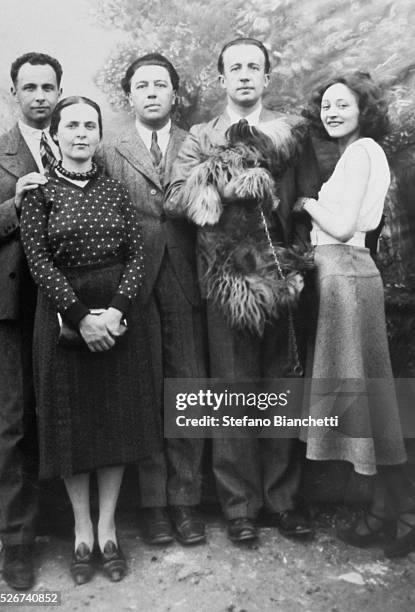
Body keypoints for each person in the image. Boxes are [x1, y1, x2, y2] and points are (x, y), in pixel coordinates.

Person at [166, 38, 320, 542]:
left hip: (282, 278)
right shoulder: (200, 135)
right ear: (222, 78)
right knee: (232, 392)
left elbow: (305, 202)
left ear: (267, 77)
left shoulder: (291, 133)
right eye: (236, 68)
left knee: (280, 389)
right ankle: (239, 509)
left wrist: (298, 266)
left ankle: (283, 501)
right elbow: (175, 198)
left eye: (254, 67)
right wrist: (227, 188)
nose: (245, 76)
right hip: (226, 278)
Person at [20, 96, 161, 583]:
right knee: (70, 428)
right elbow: (38, 261)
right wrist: (81, 318)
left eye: (89, 125)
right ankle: (81, 533)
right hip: (62, 320)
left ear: (99, 134)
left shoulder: (115, 189)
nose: (81, 133)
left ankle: (108, 531)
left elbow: (137, 254)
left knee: (114, 423)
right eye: (71, 125)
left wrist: (118, 311)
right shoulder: (39, 191)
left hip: (118, 319)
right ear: (55, 133)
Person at [298, 71, 415, 557]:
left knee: (365, 400)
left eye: (342, 104)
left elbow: (343, 227)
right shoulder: (356, 154)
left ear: (363, 110)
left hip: (345, 275)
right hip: (345, 277)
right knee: (367, 400)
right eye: (326, 104)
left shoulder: (363, 152)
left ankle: (403, 510)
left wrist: (305, 202)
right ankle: (389, 510)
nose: (332, 112)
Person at [101, 53, 207, 546]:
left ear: (174, 94)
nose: (150, 92)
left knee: (186, 389)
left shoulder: (197, 143)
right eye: (141, 85)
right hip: (132, 284)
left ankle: (186, 502)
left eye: (160, 84)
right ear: (130, 95)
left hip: (187, 281)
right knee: (144, 391)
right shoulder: (109, 150)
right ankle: (154, 507)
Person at [0, 52, 62, 590]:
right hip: (13, 306)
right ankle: (16, 542)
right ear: (13, 92)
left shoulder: (77, 142)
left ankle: (61, 520)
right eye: (30, 87)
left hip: (66, 304)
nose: (40, 96)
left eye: (48, 87)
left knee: (62, 410)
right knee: (14, 423)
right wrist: (14, 203)